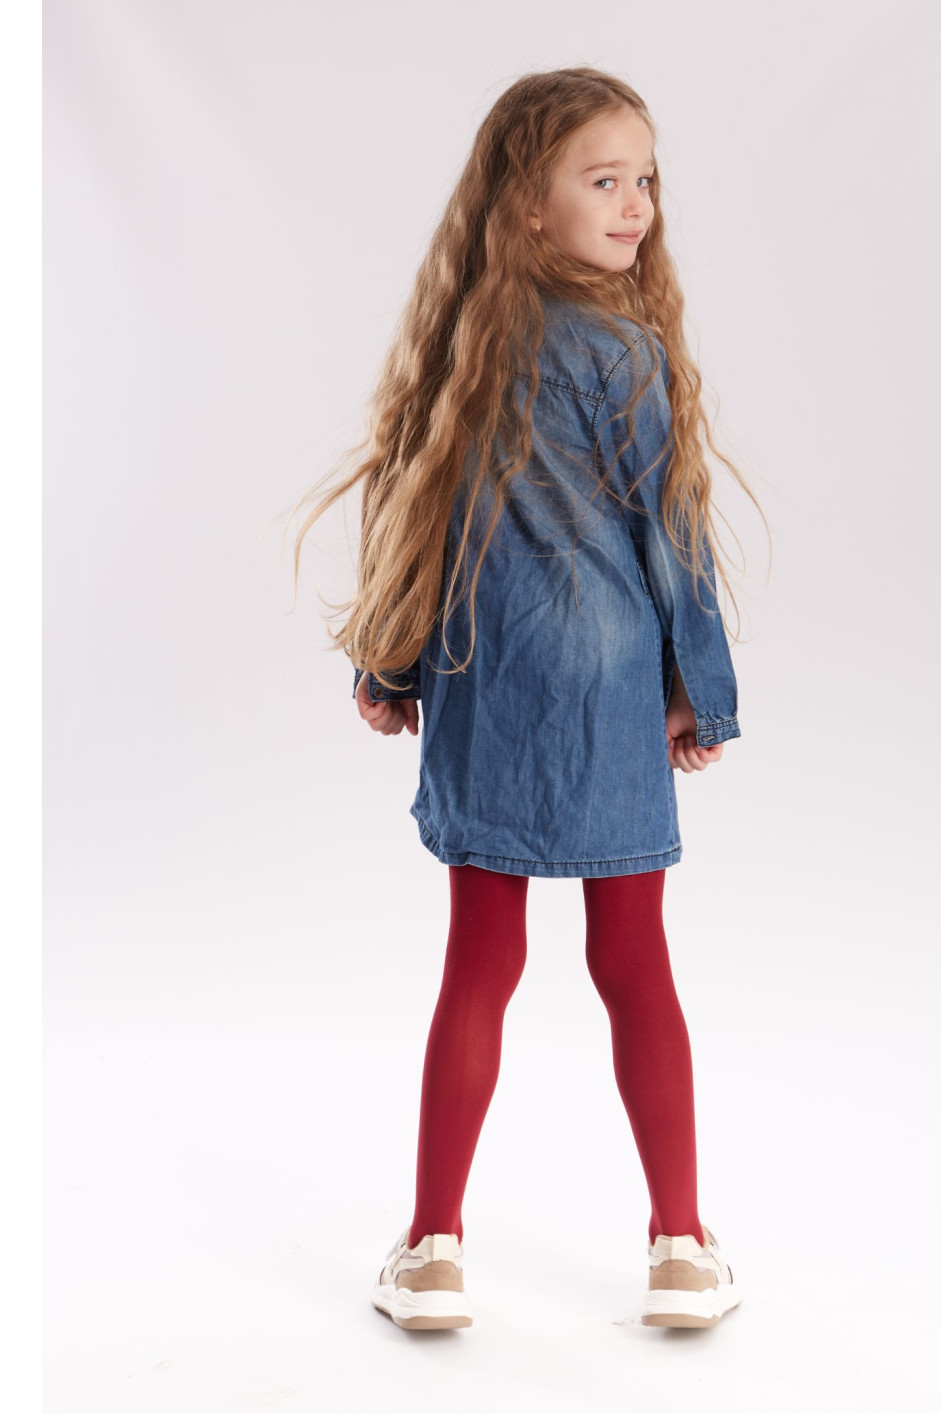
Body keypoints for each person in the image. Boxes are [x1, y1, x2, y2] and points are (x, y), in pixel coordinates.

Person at [294, 66, 768, 1331]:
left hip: (482, 680)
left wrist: (388, 663)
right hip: (607, 689)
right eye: (602, 180)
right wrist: (699, 692)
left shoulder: (458, 354)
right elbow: (671, 539)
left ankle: (431, 1248)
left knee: (478, 965)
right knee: (634, 963)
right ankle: (679, 1245)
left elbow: (412, 527)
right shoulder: (627, 355)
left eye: (644, 179)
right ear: (524, 204)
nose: (635, 205)